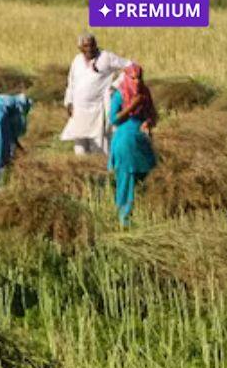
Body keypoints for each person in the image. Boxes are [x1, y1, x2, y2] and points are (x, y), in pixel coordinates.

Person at [61, 33, 131, 156]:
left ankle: (101, 172)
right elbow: (71, 83)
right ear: (80, 48)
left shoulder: (106, 57)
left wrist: (115, 86)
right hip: (79, 110)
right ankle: (81, 171)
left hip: (98, 110)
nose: (89, 49)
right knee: (80, 150)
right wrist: (69, 102)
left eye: (92, 45)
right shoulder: (77, 61)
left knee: (99, 148)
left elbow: (130, 66)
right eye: (86, 46)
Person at [108, 63, 158, 226]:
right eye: (133, 78)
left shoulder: (145, 93)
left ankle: (144, 212)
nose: (137, 81)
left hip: (141, 140)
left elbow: (152, 115)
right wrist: (132, 106)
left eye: (140, 78)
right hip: (125, 141)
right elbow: (114, 119)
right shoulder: (119, 95)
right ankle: (124, 218)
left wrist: (148, 122)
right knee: (127, 177)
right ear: (127, 78)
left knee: (147, 174)